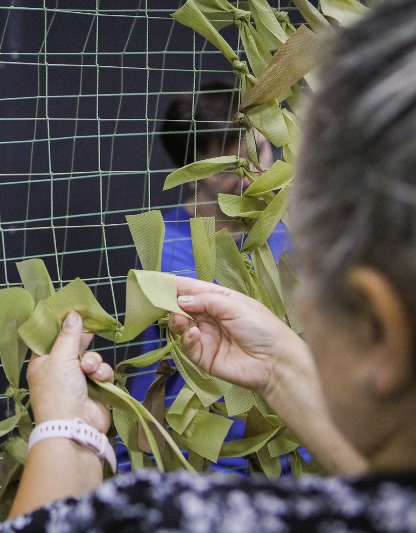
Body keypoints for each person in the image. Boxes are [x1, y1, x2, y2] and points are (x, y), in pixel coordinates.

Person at [0, 1, 416, 530]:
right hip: (204, 441)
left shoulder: (284, 233)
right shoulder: (165, 244)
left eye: (259, 147)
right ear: (195, 165)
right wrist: (279, 370)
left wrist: (64, 429)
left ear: (380, 326)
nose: (251, 164)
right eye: (231, 155)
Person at [123, 80, 290, 473]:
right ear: (191, 173)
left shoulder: (292, 227)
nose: (252, 174)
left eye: (260, 150)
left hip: (294, 444)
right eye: (231, 166)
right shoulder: (166, 247)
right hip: (208, 455)